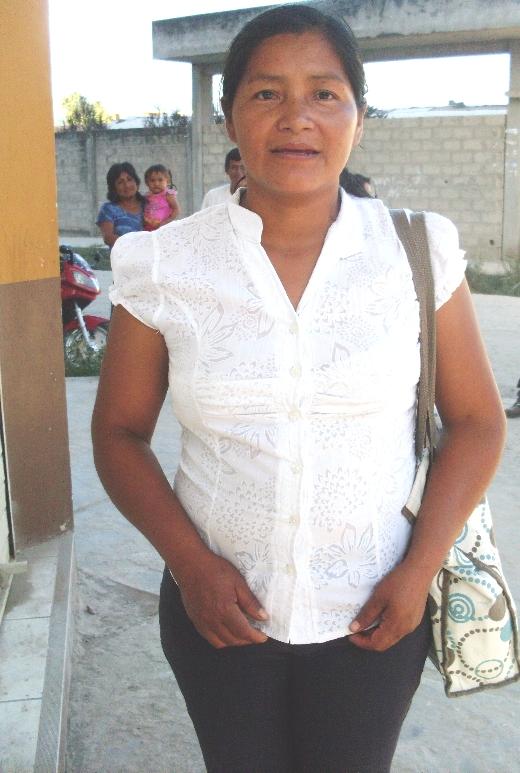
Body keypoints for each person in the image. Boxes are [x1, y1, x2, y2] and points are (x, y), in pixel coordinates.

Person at [91, 6, 506, 771]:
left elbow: (478, 421)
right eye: (266, 93)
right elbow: (118, 434)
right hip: (219, 615)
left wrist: (419, 570)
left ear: (359, 117)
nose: (296, 117)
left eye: (324, 93)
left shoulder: (417, 249)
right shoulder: (164, 263)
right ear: (229, 118)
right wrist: (190, 565)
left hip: (376, 613)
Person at [96, 162, 145, 248]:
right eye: (120, 182)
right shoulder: (108, 209)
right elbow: (109, 238)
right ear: (114, 188)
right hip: (123, 256)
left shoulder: (150, 205)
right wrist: (138, 246)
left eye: (129, 179)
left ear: (136, 182)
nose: (126, 185)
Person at [143, 164, 180, 230]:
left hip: (163, 228)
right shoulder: (146, 196)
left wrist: (167, 221)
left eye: (160, 180)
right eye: (152, 180)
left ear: (167, 181)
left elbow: (176, 209)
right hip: (147, 229)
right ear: (147, 183)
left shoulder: (168, 195)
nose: (156, 184)